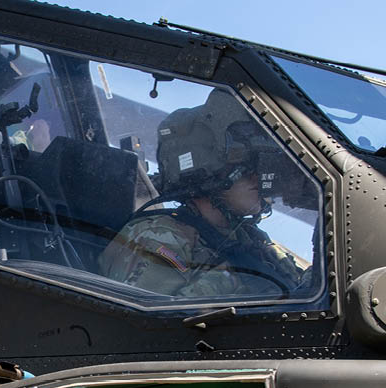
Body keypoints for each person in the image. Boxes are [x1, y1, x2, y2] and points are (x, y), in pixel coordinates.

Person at [98, 89, 309, 298]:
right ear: (209, 175)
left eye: (260, 170)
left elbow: (300, 292)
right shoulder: (161, 235)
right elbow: (142, 319)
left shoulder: (249, 239)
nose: (258, 179)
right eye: (247, 170)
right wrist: (226, 281)